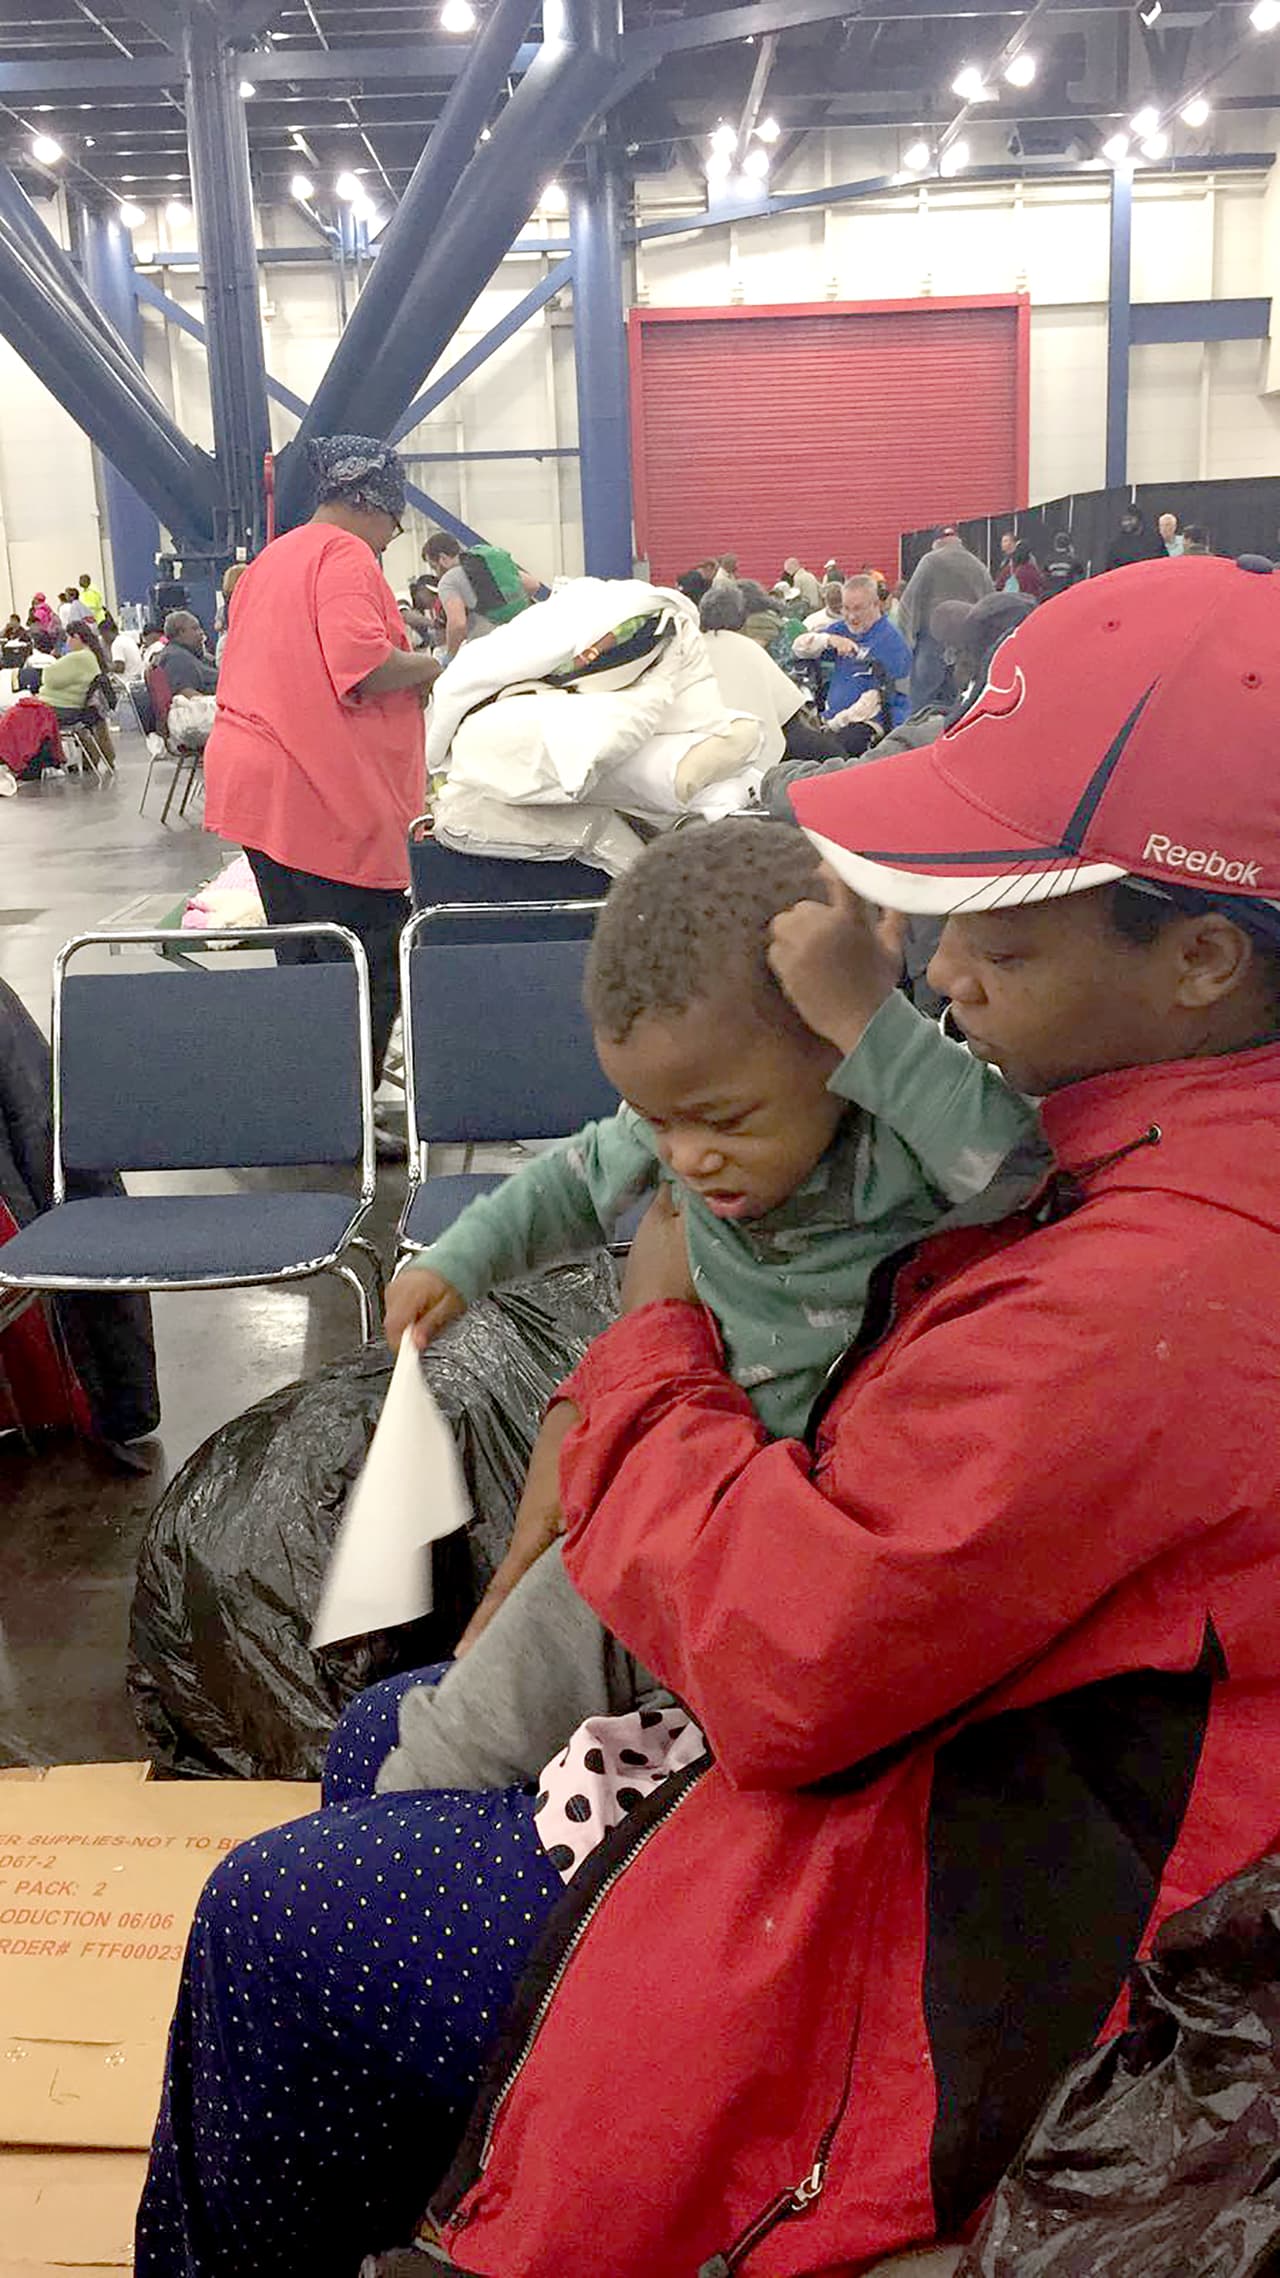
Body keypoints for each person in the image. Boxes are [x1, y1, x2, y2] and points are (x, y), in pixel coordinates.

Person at [137, 552, 1280, 2278]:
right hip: (937, 1743)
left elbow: (794, 1663)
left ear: (1199, 955)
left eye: (1001, 930)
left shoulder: (1165, 1277)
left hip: (944, 1908)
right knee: (381, 1743)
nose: (944, 974)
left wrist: (653, 1349)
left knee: (279, 1922)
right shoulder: (1127, 1136)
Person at [375, 822, 1043, 1792]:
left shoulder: (898, 1140)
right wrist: (459, 1261)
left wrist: (871, 1020)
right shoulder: (688, 1117)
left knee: (499, 1697)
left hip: (795, 1539)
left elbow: (1019, 1165)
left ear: (839, 1055)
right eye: (659, 1121)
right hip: (689, 1501)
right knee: (469, 1711)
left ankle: (402, 1824)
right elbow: (568, 1183)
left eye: (726, 1121)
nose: (687, 1157)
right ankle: (409, 1805)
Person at [203, 435, 438, 1082]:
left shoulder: (272, 560)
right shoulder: (344, 554)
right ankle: (347, 1106)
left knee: (305, 958)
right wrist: (430, 665)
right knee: (369, 959)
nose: (390, 538)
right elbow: (361, 664)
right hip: (316, 787)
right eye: (394, 521)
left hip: (258, 785)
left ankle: (310, 1098)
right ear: (368, 503)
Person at [791, 572, 912, 748]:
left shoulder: (892, 642)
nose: (851, 616)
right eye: (846, 609)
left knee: (840, 744)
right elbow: (799, 648)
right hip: (831, 718)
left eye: (858, 608)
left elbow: (878, 700)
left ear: (876, 604)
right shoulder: (841, 629)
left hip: (871, 720)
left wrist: (834, 724)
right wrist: (829, 640)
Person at [896, 525, 993, 710]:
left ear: (936, 543)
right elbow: (990, 606)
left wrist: (907, 642)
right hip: (965, 647)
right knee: (955, 706)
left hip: (931, 642)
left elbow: (909, 602)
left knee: (921, 703)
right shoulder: (978, 566)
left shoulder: (930, 561)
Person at [423, 531, 538, 657]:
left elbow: (458, 624)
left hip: (489, 649)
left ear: (443, 559)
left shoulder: (448, 580)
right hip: (523, 637)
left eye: (434, 567)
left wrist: (450, 655)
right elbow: (533, 585)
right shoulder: (487, 563)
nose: (437, 574)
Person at [40, 623, 114, 769]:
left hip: (64, 709)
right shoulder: (91, 656)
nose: (67, 642)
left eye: (69, 638)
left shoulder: (79, 657)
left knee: (23, 716)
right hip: (73, 706)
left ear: (77, 637)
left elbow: (48, 677)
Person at [154, 610, 218, 697]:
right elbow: (188, 694)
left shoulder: (187, 654)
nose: (201, 632)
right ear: (181, 632)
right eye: (195, 628)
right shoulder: (176, 658)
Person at [1104, 503, 1165, 571]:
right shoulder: (1117, 544)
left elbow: (1163, 562)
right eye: (1123, 520)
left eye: (1129, 519)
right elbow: (1111, 569)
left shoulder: (1154, 539)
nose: (1126, 523)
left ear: (1138, 519)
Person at [998, 537, 1046, 601]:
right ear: (1029, 555)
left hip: (1012, 603)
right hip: (1031, 604)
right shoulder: (1033, 571)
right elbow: (1043, 586)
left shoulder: (1008, 570)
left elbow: (998, 587)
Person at [1043, 528, 1086, 596]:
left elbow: (1044, 576)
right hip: (1066, 592)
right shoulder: (1073, 560)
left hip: (1052, 593)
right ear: (1068, 545)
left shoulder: (1049, 560)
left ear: (1055, 544)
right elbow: (1080, 575)